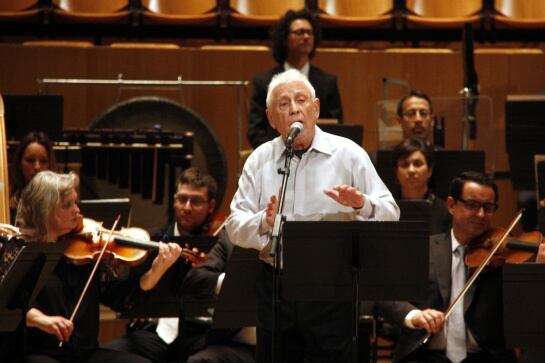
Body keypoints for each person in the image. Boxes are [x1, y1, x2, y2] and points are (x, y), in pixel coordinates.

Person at [227, 69, 399, 362]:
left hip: (331, 290)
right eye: (283, 104)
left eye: (301, 100)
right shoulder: (260, 159)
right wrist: (264, 222)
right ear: (270, 118)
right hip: (275, 287)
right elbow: (234, 226)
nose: (294, 108)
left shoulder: (348, 154)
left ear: (315, 108)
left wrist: (361, 203)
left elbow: (391, 212)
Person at [0, 170, 182, 363]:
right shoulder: (20, 250)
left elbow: (120, 299)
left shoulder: (85, 250)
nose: (77, 211)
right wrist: (43, 321)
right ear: (46, 209)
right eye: (67, 205)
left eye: (76, 202)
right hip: (39, 353)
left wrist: (157, 270)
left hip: (84, 354)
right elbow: (10, 305)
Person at [105, 167, 255, 363]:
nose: (187, 207)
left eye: (196, 201)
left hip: (202, 335)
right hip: (155, 332)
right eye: (182, 199)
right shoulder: (149, 240)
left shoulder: (219, 244)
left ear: (211, 206)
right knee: (110, 353)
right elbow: (128, 297)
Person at [378, 171, 520, 363]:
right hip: (424, 356)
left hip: (485, 357)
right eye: (471, 205)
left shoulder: (503, 256)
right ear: (451, 205)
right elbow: (387, 297)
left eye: (488, 208)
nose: (480, 214)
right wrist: (415, 315)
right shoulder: (422, 249)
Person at [247, 9, 343, 149]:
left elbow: (338, 127)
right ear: (285, 39)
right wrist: (278, 151)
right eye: (299, 32)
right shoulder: (264, 82)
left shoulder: (327, 82)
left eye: (310, 33)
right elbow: (255, 131)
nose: (306, 37)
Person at [392, 137, 451, 234]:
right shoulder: (387, 207)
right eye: (405, 165)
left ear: (429, 171)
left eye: (417, 164)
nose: (411, 170)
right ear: (396, 173)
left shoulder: (444, 211)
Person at [8, 131, 54, 222]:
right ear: (20, 164)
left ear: (49, 165)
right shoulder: (6, 201)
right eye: (30, 160)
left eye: (43, 161)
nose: (37, 167)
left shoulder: (59, 203)